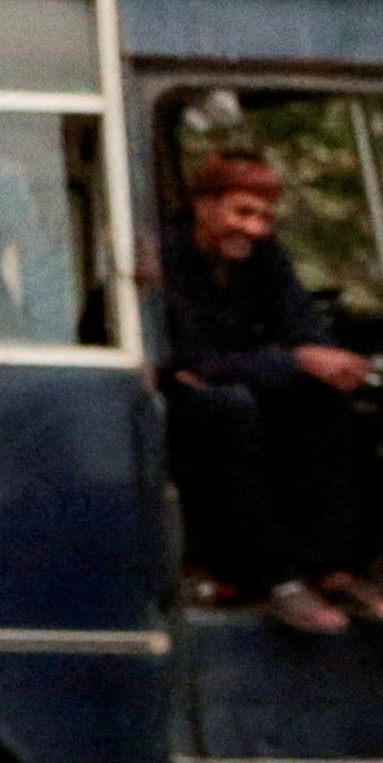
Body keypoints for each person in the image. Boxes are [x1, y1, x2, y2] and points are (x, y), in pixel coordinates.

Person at [155, 149, 383, 635]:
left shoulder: (263, 254)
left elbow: (300, 320)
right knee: (227, 411)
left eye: (264, 217)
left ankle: (333, 568)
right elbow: (189, 359)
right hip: (176, 401)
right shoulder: (163, 257)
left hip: (244, 380)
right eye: (243, 213)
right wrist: (293, 361)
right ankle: (272, 579)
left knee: (323, 403)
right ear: (204, 205)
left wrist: (328, 360)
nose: (256, 229)